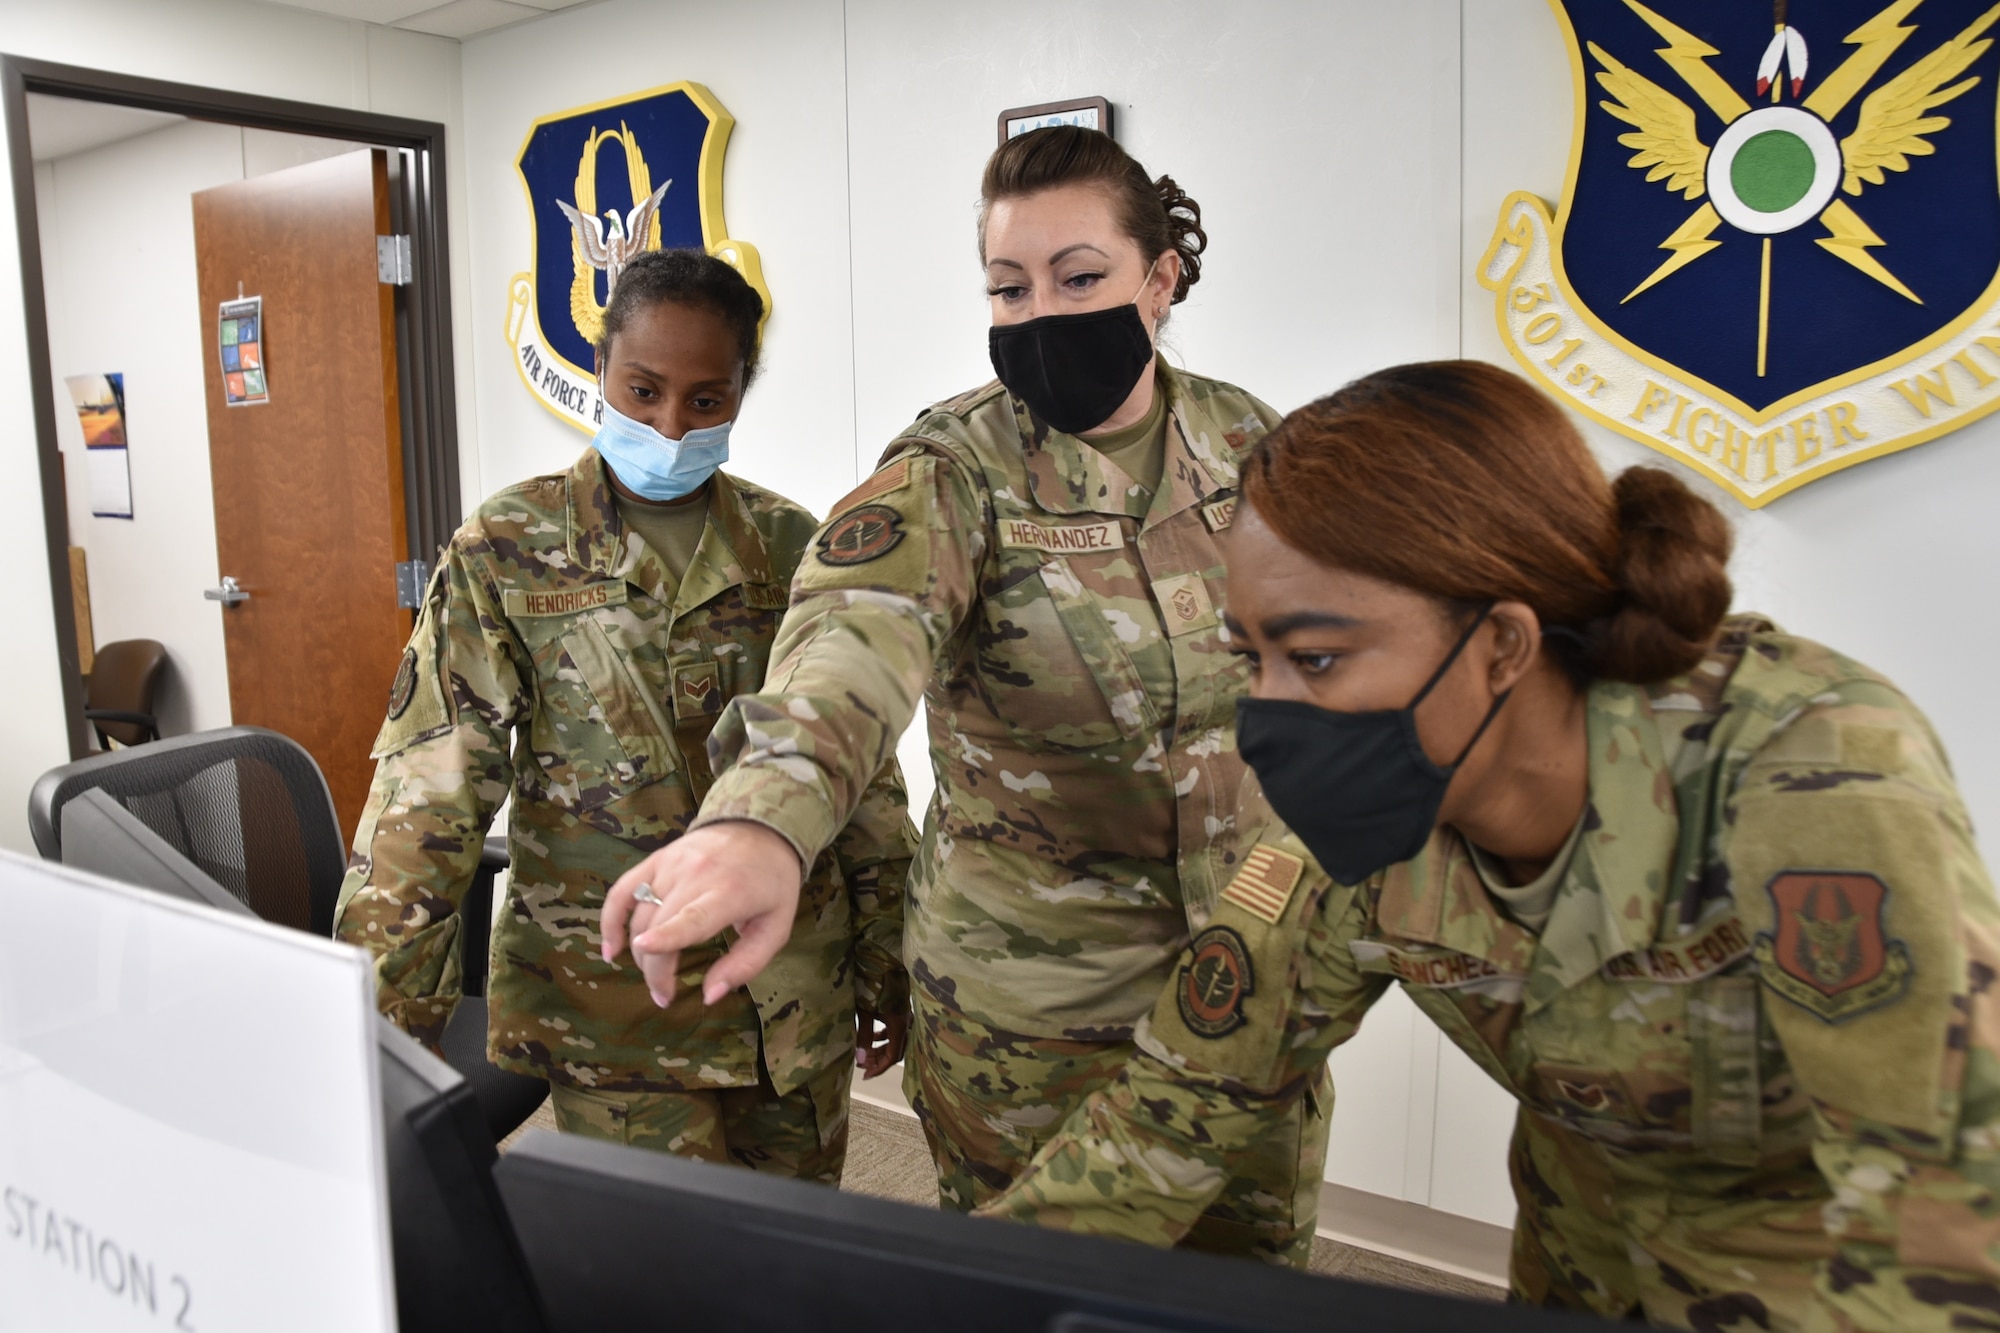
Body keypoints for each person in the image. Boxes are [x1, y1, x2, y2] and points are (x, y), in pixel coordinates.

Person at [975, 360, 2000, 1328]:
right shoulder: (1353, 830)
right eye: (1252, 659)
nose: (1267, 716)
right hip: (1570, 1273)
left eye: (1317, 656)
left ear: (1503, 643)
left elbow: (1940, 1204)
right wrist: (941, 1304)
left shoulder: (1810, 778)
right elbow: (1178, 1105)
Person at [600, 126, 1326, 1264]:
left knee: (1253, 1288)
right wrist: (762, 821)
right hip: (1035, 1021)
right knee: (1029, 1290)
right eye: (1007, 287)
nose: (1040, 314)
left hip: (1248, 976)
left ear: (1160, 277)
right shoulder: (951, 470)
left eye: (1078, 278)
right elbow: (848, 647)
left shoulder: (1252, 442)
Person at [334, 250, 914, 1183]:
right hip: (612, 1006)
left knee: (792, 1278)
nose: (669, 423)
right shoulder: (508, 550)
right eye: (642, 389)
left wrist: (895, 960)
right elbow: (429, 790)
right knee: (656, 1284)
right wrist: (376, 1011)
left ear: (738, 396)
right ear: (601, 369)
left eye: (705, 400)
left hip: (789, 993)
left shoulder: (792, 547)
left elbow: (860, 775)